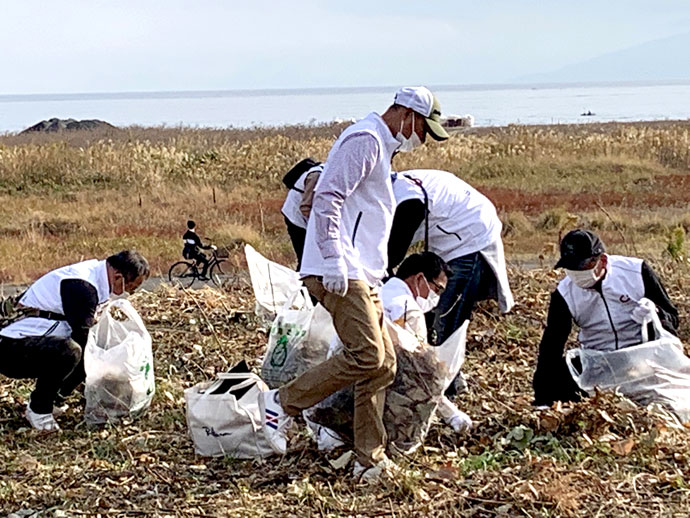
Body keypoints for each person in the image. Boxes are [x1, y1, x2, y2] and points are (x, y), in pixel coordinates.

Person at [259, 86, 450, 481]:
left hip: (363, 272)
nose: (422, 139)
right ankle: (281, 402)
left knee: (384, 365)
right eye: (423, 129)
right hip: (343, 270)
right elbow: (328, 198)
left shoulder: (381, 148)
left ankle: (370, 459)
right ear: (406, 113)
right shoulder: (364, 140)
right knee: (367, 356)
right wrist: (333, 259)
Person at [387, 169, 515, 394]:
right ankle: (442, 376)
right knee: (431, 314)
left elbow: (391, 253)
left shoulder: (406, 199)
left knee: (443, 316)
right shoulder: (392, 191)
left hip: (470, 235)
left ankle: (442, 387)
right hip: (450, 233)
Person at [0, 250, 150, 431]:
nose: (130, 293)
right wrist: (110, 373)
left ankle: (56, 398)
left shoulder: (97, 275)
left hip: (38, 338)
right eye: (131, 287)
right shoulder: (82, 286)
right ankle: (39, 408)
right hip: (11, 348)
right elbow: (83, 338)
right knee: (72, 351)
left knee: (87, 348)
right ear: (118, 277)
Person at [532, 229, 679, 407]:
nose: (576, 274)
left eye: (581, 266)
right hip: (599, 361)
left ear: (600, 260)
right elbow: (552, 343)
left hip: (641, 357)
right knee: (559, 377)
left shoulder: (636, 272)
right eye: (570, 268)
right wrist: (543, 396)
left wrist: (656, 313)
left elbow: (673, 318)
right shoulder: (565, 293)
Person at [381, 252, 473, 433]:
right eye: (437, 289)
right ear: (420, 279)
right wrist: (452, 414)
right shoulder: (410, 311)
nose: (436, 297)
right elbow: (420, 373)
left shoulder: (376, 293)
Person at [280, 159, 324, 270]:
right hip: (295, 216)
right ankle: (301, 285)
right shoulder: (316, 176)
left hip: (301, 215)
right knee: (305, 257)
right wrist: (317, 226)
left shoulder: (325, 172)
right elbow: (305, 207)